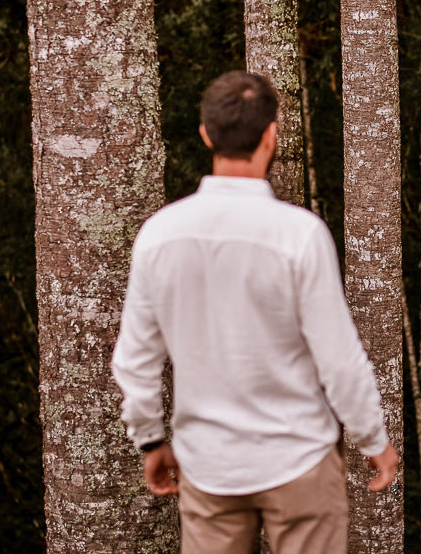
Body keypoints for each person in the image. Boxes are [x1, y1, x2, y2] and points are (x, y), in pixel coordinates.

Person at [111, 71, 397, 554]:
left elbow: (134, 360)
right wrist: (373, 438)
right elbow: (339, 359)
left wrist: (150, 441)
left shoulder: (159, 235)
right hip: (300, 459)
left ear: (206, 135)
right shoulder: (300, 234)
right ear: (271, 135)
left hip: (209, 466)